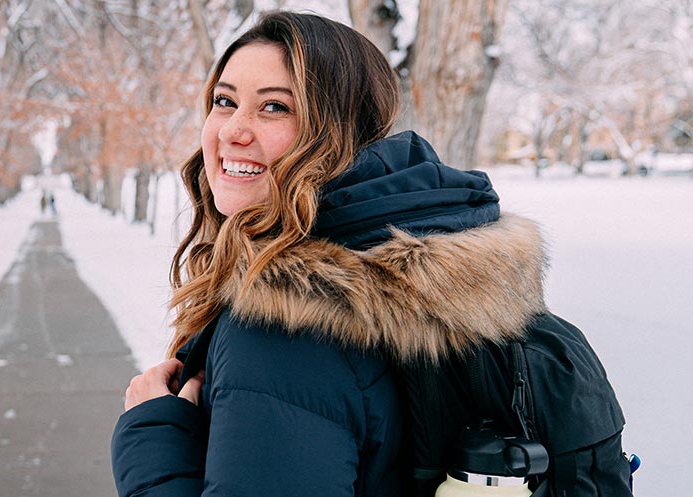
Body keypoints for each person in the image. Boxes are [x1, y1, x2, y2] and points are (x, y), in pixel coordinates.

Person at [110, 11, 586, 496]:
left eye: (275, 108)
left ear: (341, 132)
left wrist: (153, 438)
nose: (233, 129)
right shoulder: (405, 274)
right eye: (224, 100)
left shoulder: (284, 325)